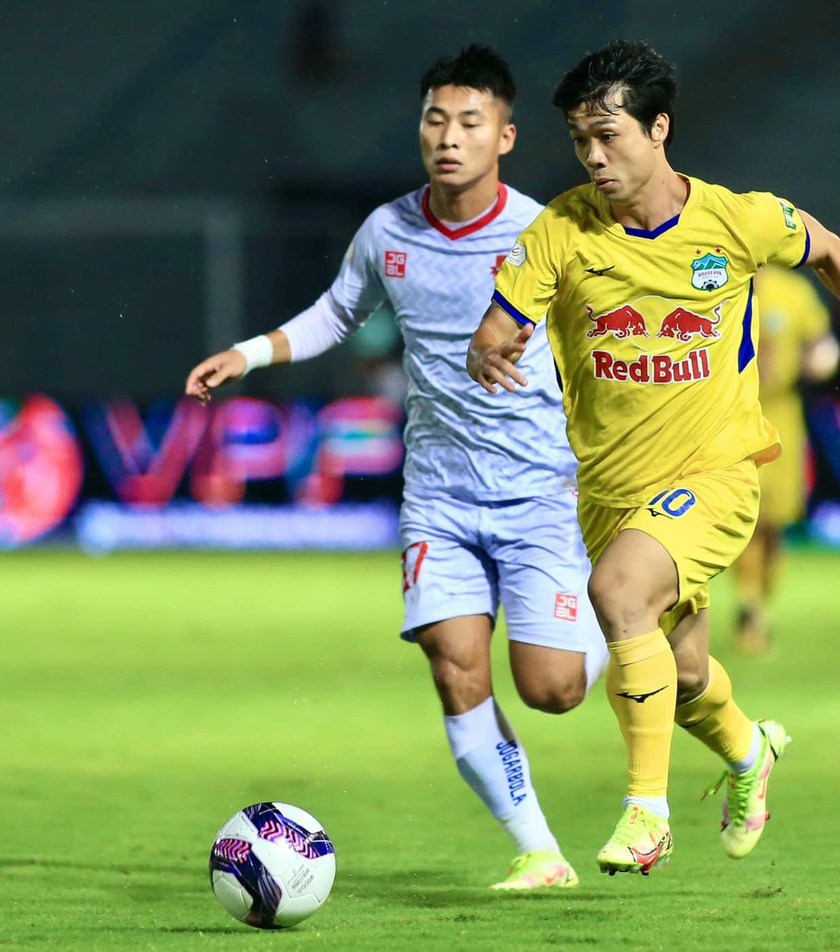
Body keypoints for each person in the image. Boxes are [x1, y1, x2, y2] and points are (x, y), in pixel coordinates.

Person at [467, 40, 840, 876]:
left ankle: (646, 815)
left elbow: (831, 251)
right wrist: (487, 349)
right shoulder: (560, 231)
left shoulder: (735, 220)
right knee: (685, 674)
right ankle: (749, 752)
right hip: (611, 493)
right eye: (580, 140)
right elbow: (497, 326)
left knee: (618, 594)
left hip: (716, 474)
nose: (593, 157)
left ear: (659, 128)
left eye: (608, 136)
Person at [185, 45, 606, 891]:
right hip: (439, 498)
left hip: (540, 491)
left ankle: (614, 606)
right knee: (455, 666)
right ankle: (539, 850)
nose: (448, 137)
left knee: (552, 689)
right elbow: (335, 313)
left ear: (506, 137)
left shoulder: (544, 232)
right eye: (435, 120)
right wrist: (248, 353)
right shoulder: (389, 230)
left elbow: (606, 334)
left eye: (469, 123)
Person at [733, 266, 840, 654]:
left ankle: (760, 604)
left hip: (781, 418)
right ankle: (747, 602)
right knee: (741, 519)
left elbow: (820, 343)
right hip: (730, 416)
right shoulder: (716, 281)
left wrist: (821, 360)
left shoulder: (793, 292)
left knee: (773, 523)